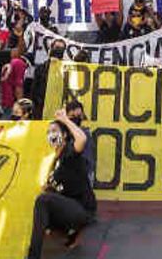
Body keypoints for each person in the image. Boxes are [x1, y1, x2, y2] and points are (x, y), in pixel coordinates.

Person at [27, 108, 96, 256]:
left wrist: (65, 120)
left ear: (64, 135)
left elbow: (82, 140)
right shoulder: (53, 162)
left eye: (55, 130)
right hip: (68, 209)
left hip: (83, 210)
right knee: (42, 200)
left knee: (43, 200)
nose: (51, 134)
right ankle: (68, 235)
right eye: (49, 132)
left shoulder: (69, 153)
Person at [31, 39, 68, 117]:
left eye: (61, 49)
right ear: (50, 48)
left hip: (59, 110)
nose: (58, 51)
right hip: (41, 108)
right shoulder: (41, 68)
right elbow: (34, 90)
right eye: (57, 47)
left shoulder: (67, 70)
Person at [1, 46, 28, 118]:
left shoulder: (8, 62)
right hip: (11, 103)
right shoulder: (19, 63)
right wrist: (21, 106)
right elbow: (18, 88)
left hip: (3, 101)